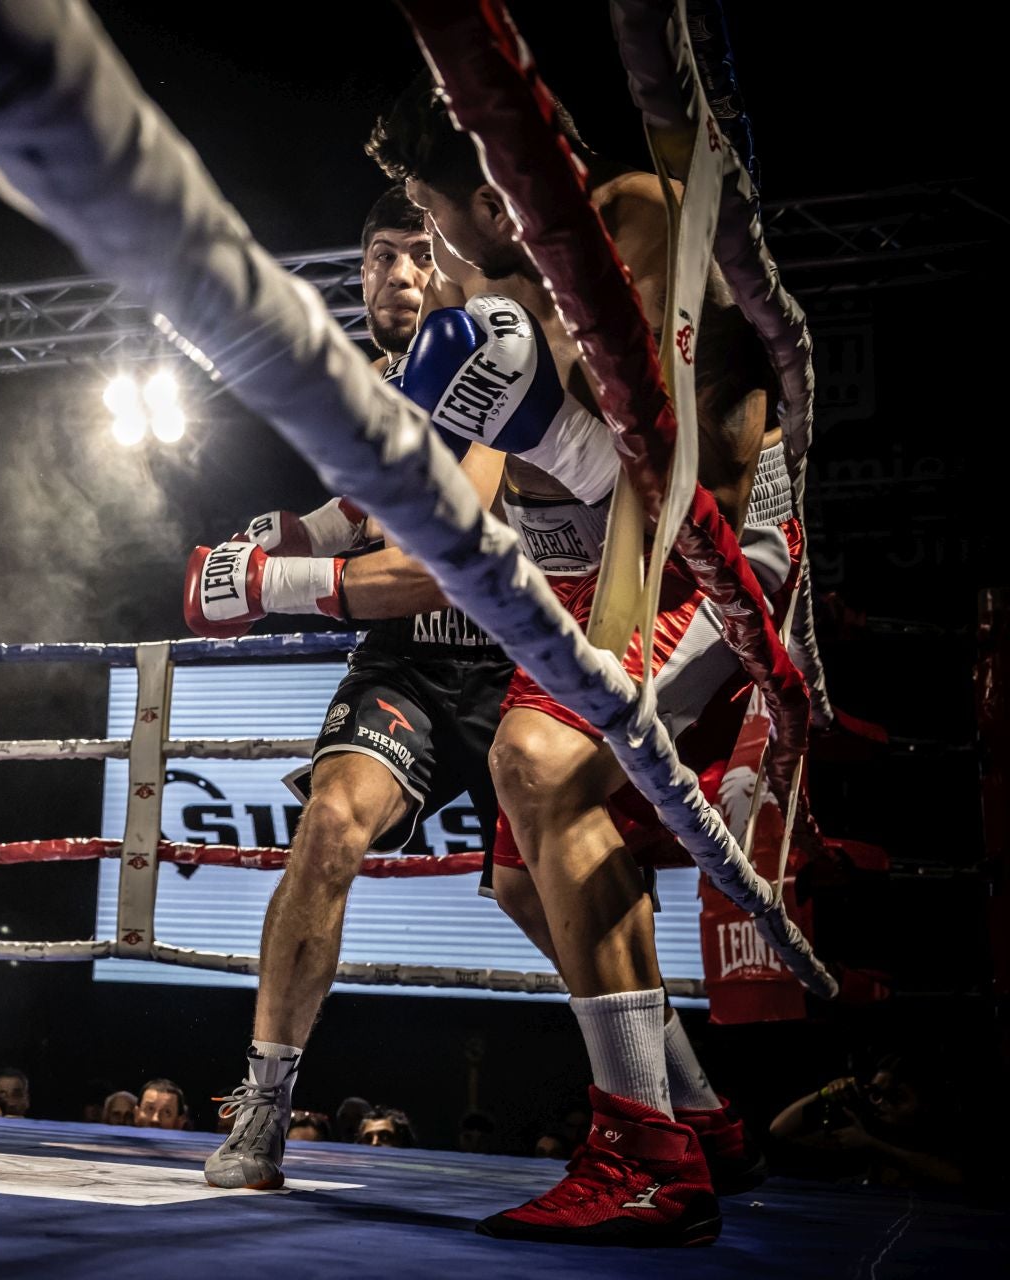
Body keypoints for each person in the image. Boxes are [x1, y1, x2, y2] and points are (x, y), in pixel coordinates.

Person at [368, 70, 786, 1246]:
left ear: (489, 193)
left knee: (542, 766)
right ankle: (697, 1118)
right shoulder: (486, 276)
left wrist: (604, 638)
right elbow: (458, 475)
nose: (424, 237)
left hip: (712, 548)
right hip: (596, 559)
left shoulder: (638, 220)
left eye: (423, 199)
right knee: (517, 870)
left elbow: (690, 454)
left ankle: (645, 1150)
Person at [194, 187, 515, 1194]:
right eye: (380, 256)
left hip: (516, 659)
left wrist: (272, 580)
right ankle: (268, 1103)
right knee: (328, 825)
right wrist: (286, 533)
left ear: (454, 262)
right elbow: (369, 508)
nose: (401, 274)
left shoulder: (506, 354)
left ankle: (670, 1102)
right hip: (404, 665)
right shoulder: (372, 389)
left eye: (421, 252)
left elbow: (450, 554)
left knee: (534, 889)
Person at [769, 1054, 970, 1190]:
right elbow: (780, 1129)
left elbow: (961, 1179)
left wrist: (872, 1145)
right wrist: (824, 1094)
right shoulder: (866, 1129)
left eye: (897, 1096)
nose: (882, 1103)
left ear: (927, 1103)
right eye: (877, 1094)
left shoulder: (943, 1147)